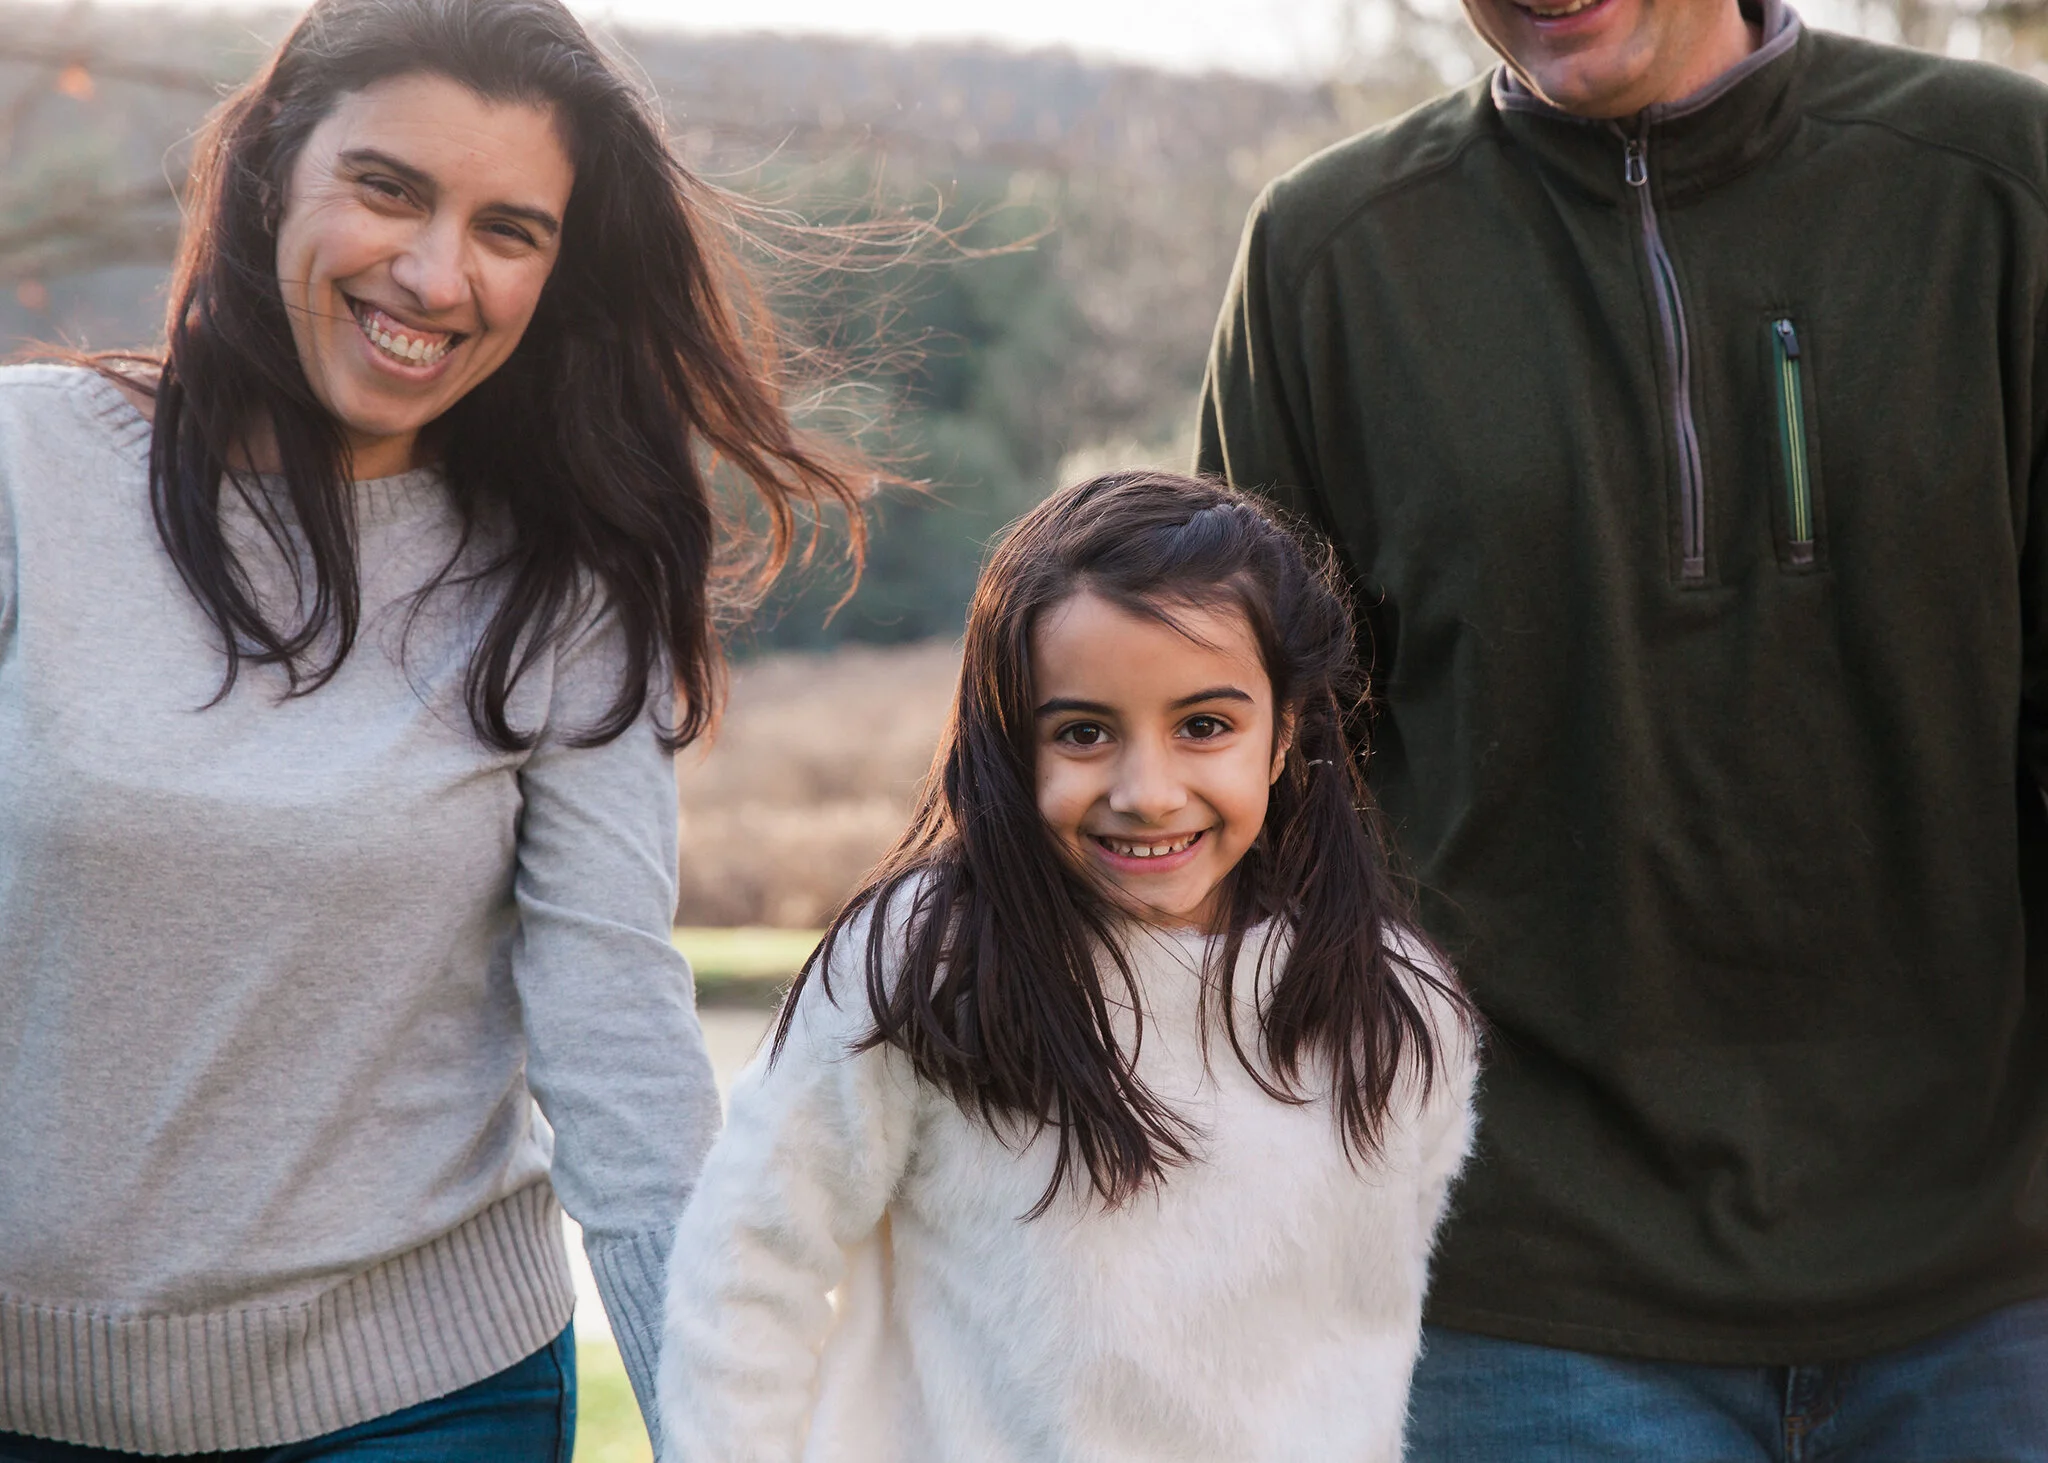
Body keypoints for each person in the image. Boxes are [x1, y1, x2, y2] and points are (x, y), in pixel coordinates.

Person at [0, 0, 872, 1457]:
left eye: (509, 229)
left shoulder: (569, 580)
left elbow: (617, 1036)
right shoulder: (28, 474)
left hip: (416, 1403)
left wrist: (729, 1428)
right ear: (276, 168)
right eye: (388, 188)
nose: (433, 272)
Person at [1198, 0, 2048, 1454]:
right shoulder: (1327, 257)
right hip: (1522, 1303)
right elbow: (1250, 788)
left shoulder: (2001, 184)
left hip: (1994, 1284)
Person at [656, 470, 1478, 1463]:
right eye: (1082, 732)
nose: (1146, 789)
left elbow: (1365, 1355)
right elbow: (745, 1267)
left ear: (1283, 735)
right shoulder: (922, 963)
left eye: (1204, 725)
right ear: (1012, 743)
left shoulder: (1399, 1016)